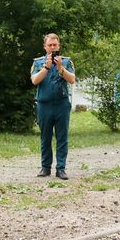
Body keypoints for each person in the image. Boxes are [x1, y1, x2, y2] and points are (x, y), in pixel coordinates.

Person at [30, 33, 75, 179]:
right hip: (44, 104)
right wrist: (46, 68)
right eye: (49, 45)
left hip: (61, 104)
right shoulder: (37, 62)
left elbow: (72, 79)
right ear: (45, 46)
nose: (52, 47)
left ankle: (60, 168)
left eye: (55, 45)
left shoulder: (66, 62)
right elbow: (34, 81)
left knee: (62, 137)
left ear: (59, 46)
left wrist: (60, 67)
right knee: (45, 136)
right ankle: (45, 167)